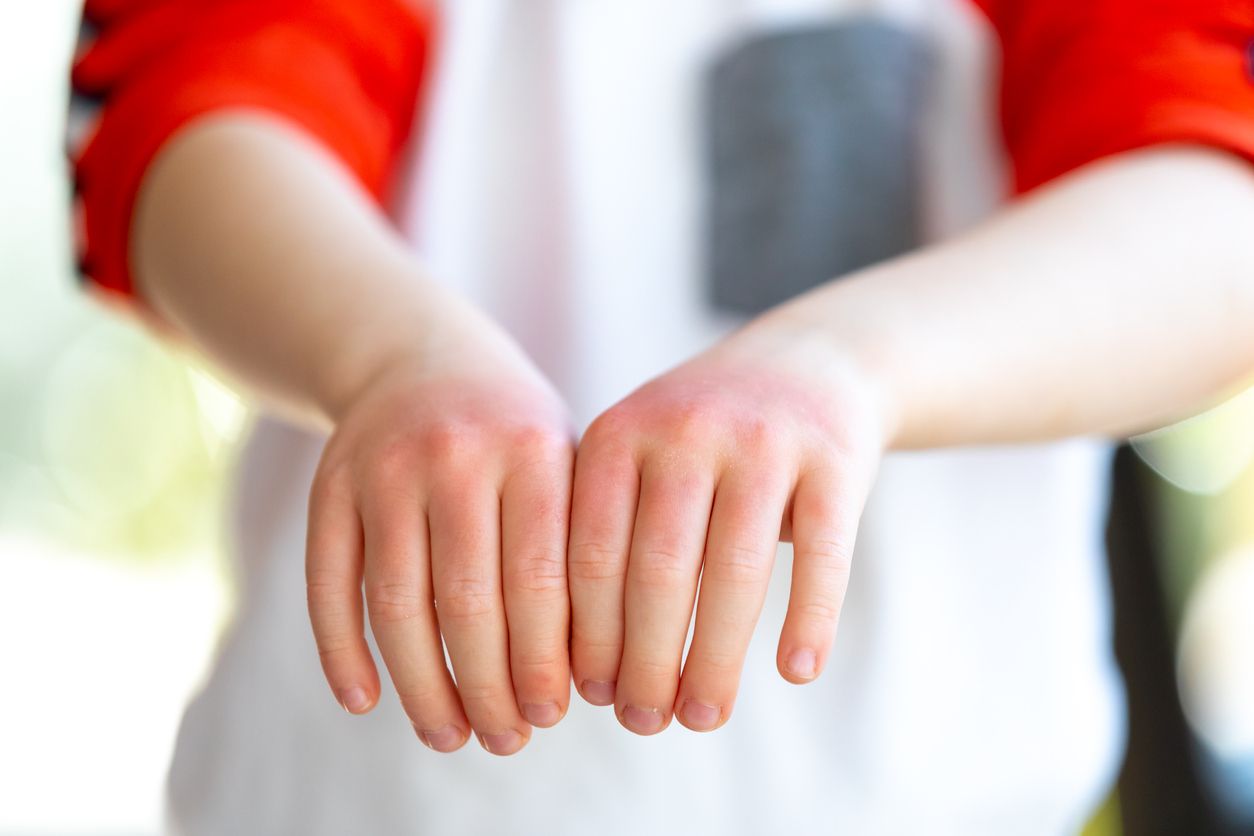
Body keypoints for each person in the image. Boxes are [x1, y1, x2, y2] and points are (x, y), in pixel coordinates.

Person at [70, 0, 1254, 833]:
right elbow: (194, 104)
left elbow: (1213, 190)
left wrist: (851, 364)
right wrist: (388, 357)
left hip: (944, 797)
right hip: (355, 801)